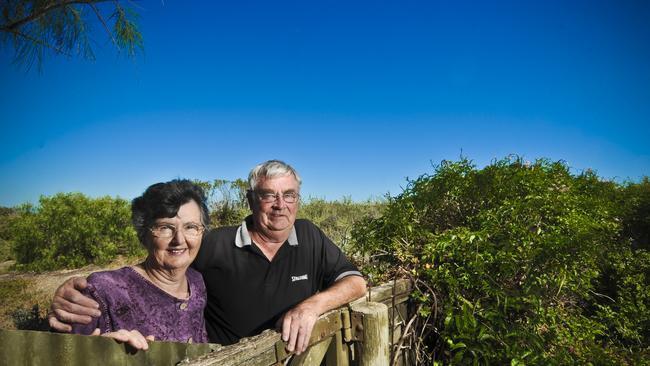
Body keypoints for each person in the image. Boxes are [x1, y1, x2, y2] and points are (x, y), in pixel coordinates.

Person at [49, 160, 367, 355]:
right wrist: (78, 292)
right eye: (269, 195)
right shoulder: (213, 244)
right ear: (251, 200)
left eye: (289, 195)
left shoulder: (309, 235)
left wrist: (311, 306)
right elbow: (151, 273)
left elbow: (355, 282)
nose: (279, 205)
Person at [69, 179, 210, 349]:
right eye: (165, 227)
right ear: (143, 235)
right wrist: (102, 352)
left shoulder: (197, 282)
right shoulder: (102, 290)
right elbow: (65, 353)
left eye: (191, 227)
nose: (179, 240)